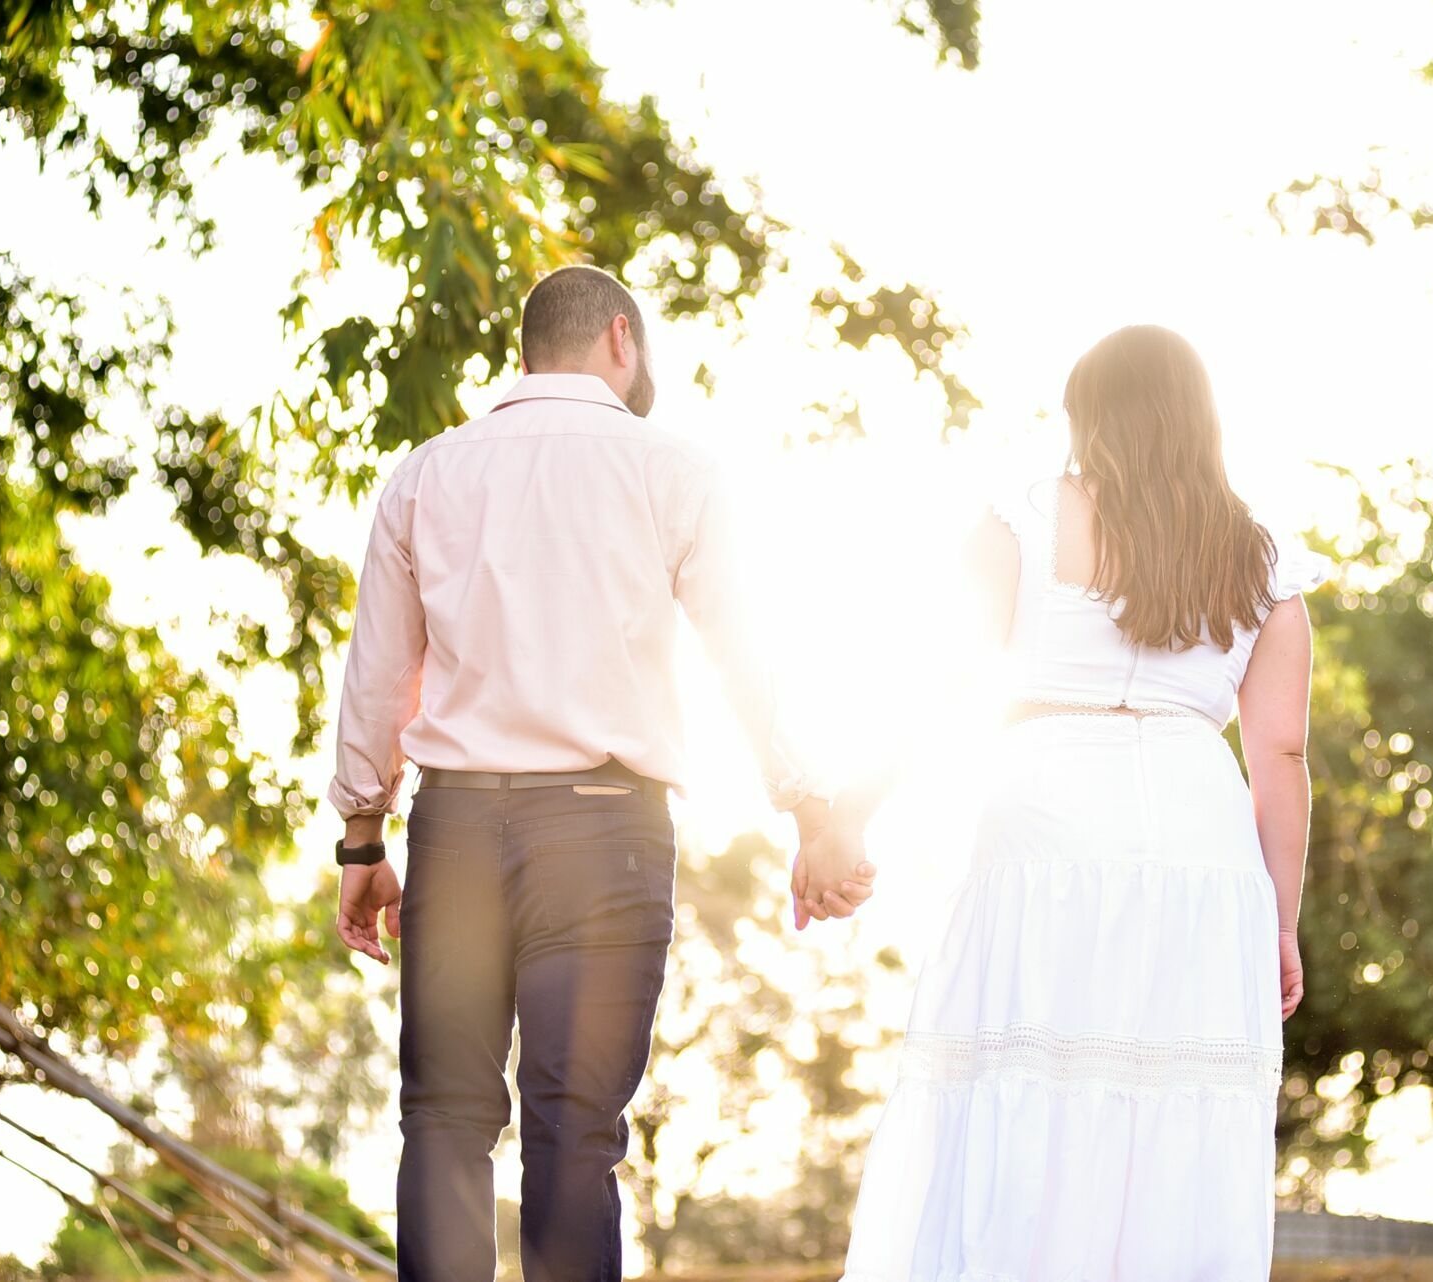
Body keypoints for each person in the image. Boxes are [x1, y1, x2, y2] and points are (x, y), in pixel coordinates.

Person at [325, 264, 875, 1281]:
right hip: (604, 831)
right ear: (620, 339)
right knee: (576, 1134)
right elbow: (743, 655)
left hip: (454, 830)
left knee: (444, 1121)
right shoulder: (674, 472)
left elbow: (378, 675)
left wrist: (363, 836)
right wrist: (807, 802)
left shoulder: (427, 474)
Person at [835, 324, 1329, 1281]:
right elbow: (1280, 751)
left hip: (1045, 826)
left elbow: (942, 684)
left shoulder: (1019, 519)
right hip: (1203, 844)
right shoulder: (1264, 557)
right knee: (1166, 1111)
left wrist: (851, 811)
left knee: (1030, 1086)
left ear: (1086, 417)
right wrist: (1280, 920)